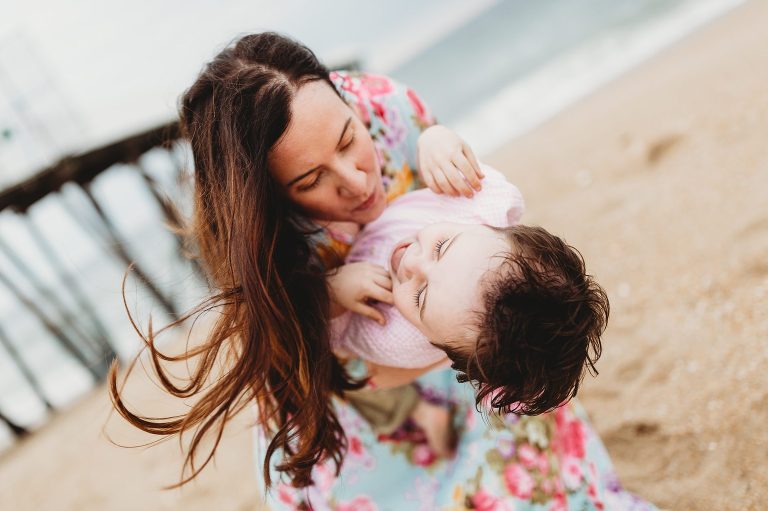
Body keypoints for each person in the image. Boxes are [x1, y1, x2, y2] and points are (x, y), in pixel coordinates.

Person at [109, 32, 658, 510]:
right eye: (310, 182)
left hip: (447, 322)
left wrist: (437, 140)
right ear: (267, 199)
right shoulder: (258, 240)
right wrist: (328, 293)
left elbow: (481, 223)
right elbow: (308, 348)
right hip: (335, 365)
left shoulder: (387, 106)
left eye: (350, 140)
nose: (355, 181)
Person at [331, 165, 609, 418]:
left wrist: (334, 292)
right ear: (494, 226)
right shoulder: (479, 210)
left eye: (420, 296)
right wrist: (437, 141)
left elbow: (332, 338)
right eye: (441, 247)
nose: (412, 262)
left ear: (436, 342)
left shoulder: (395, 338)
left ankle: (421, 413)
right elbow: (485, 180)